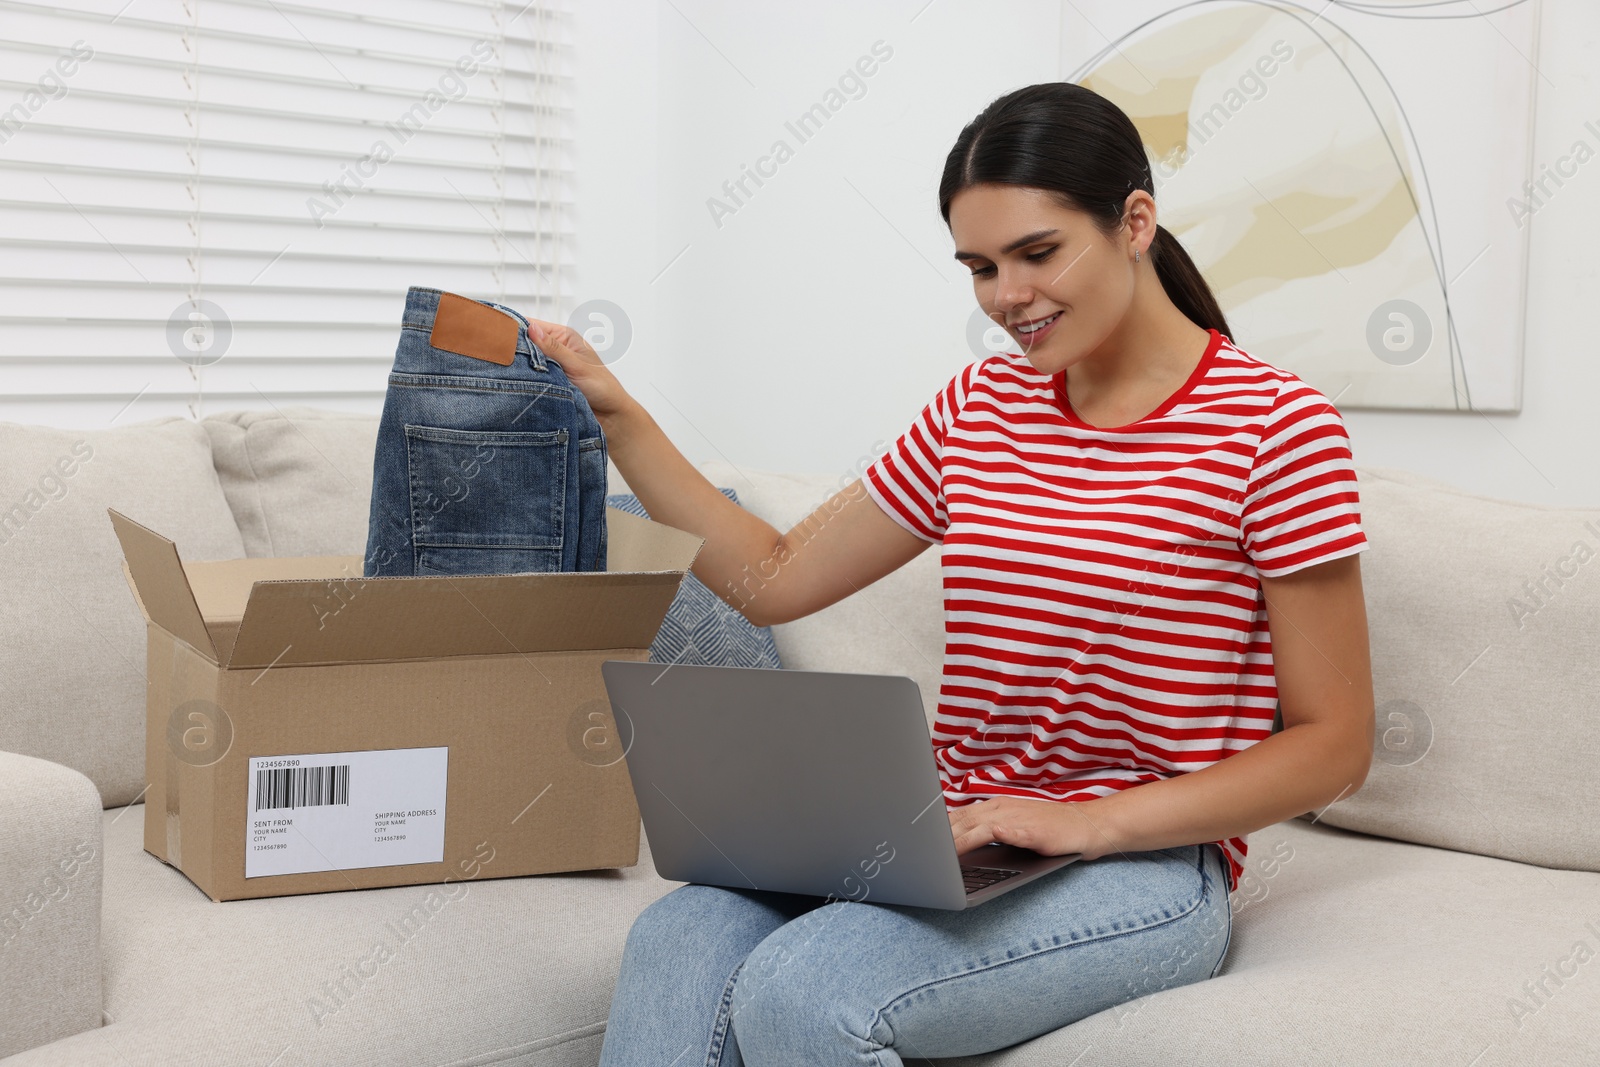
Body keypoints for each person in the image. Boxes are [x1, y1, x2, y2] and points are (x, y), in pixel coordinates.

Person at [528, 80, 1375, 1067]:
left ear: (1135, 222)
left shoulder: (1275, 428)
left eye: (1037, 252)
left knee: (801, 992)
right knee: (676, 932)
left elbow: (1334, 743)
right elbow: (774, 575)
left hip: (1146, 864)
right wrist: (617, 413)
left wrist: (1089, 821)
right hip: (953, 831)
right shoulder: (978, 409)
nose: (1005, 295)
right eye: (979, 265)